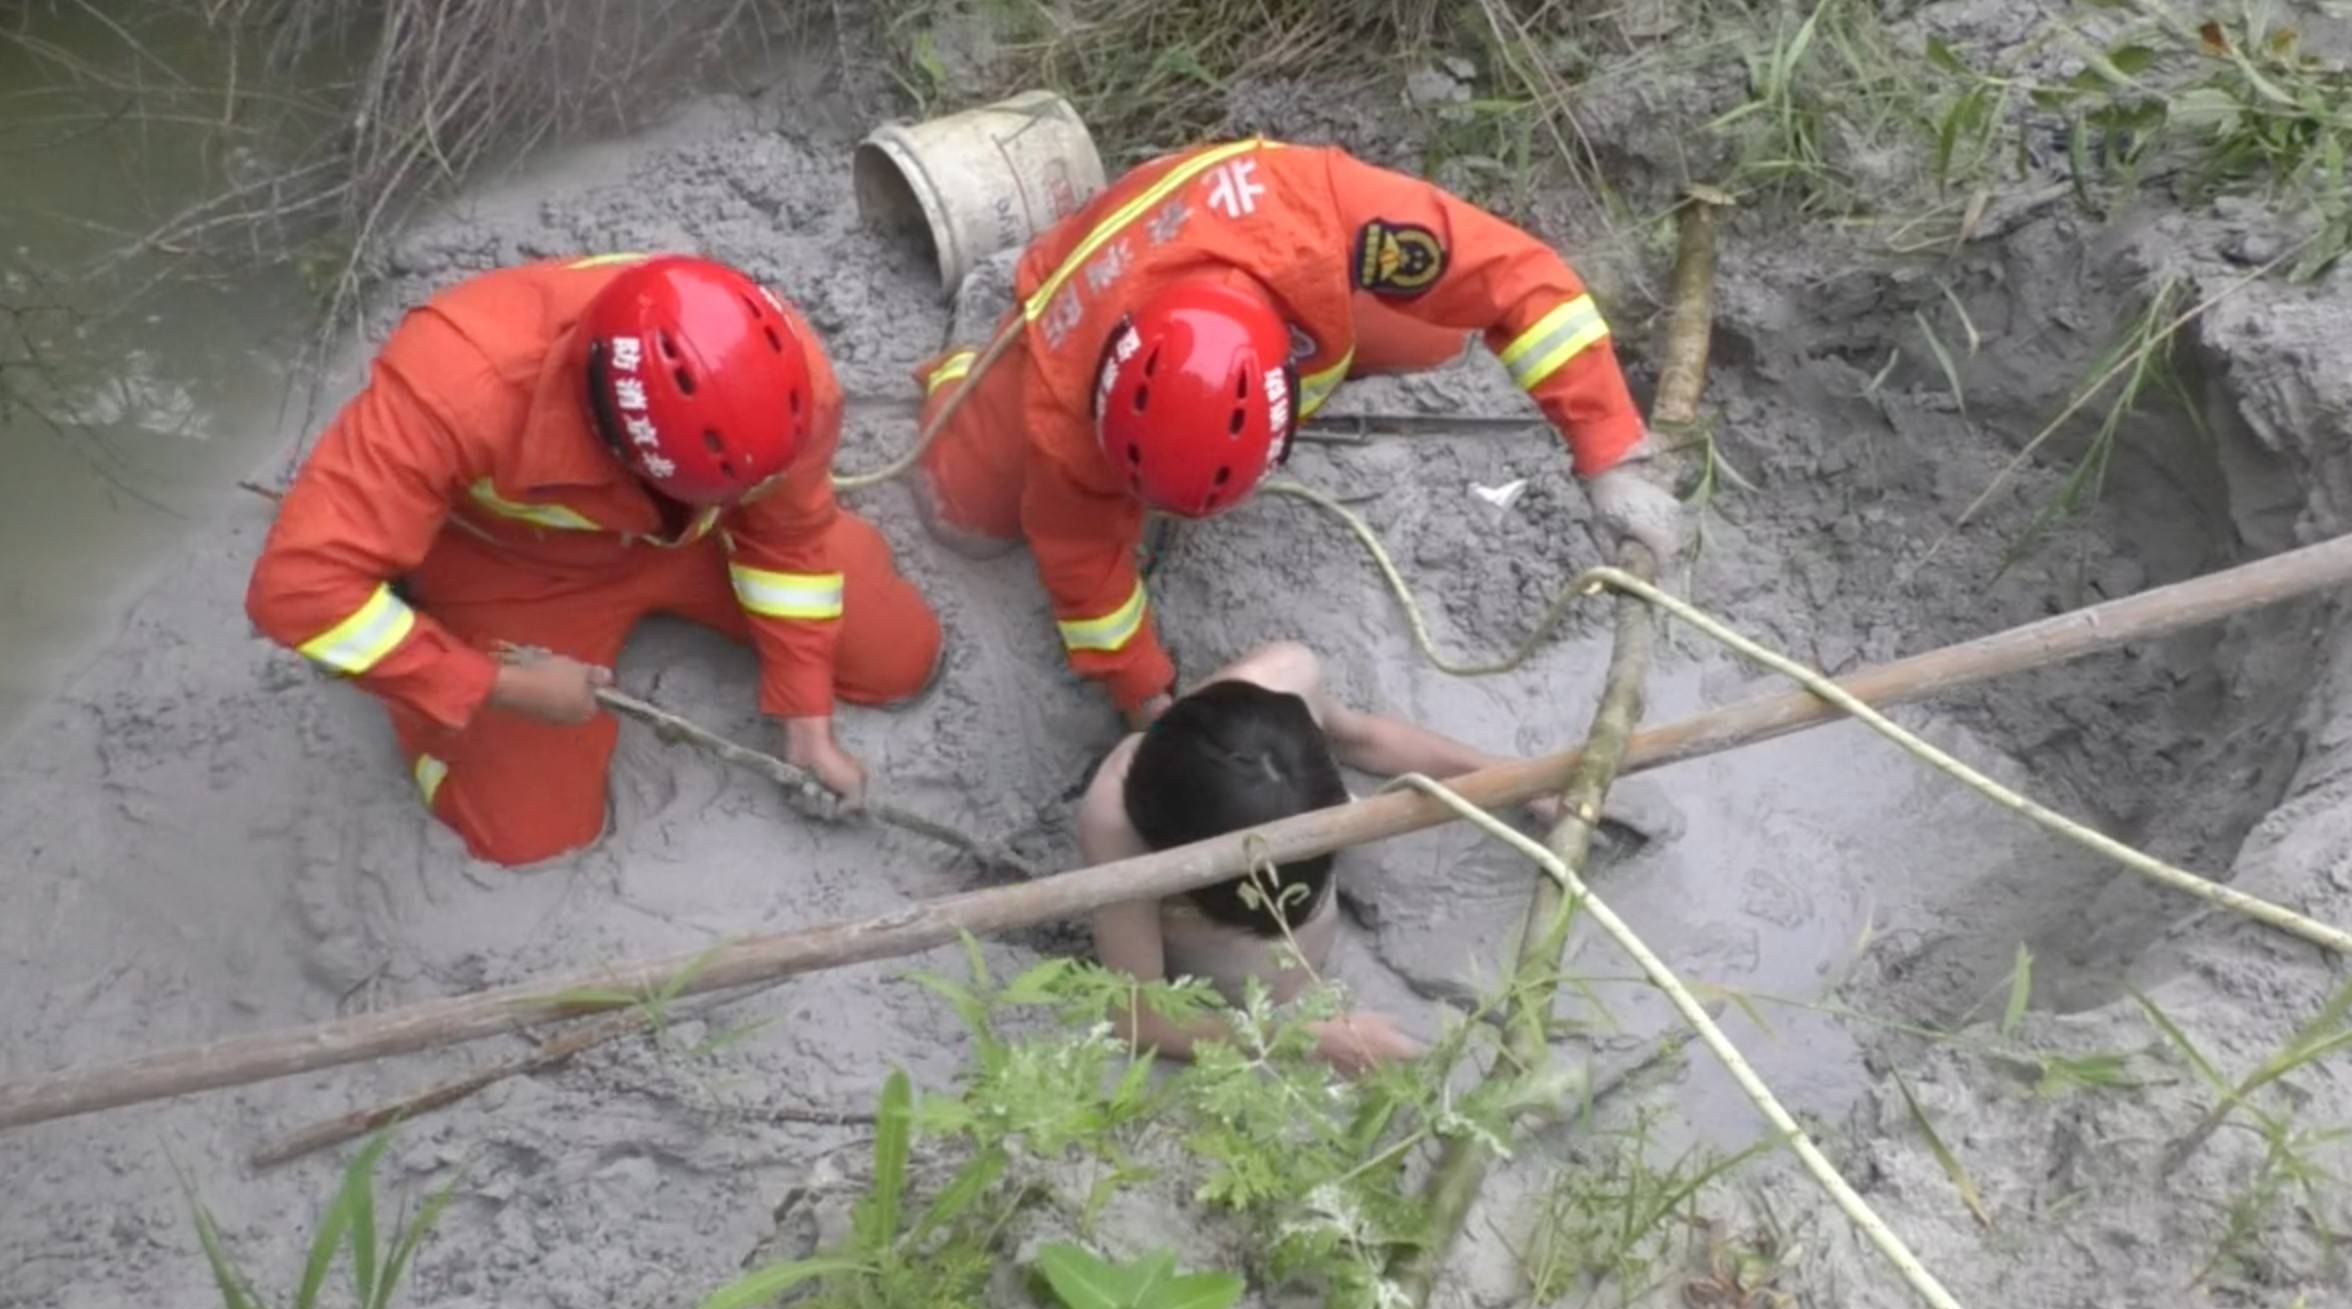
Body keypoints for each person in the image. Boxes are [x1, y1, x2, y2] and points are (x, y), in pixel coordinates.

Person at [910, 138, 1688, 730]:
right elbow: (1083, 568)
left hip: (1240, 239)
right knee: (963, 511)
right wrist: (1143, 690)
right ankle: (971, 349)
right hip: (1063, 294)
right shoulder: (1061, 407)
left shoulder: (1323, 213)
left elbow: (1519, 281)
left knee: (1434, 336)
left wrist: (1611, 451)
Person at [245, 254, 941, 865]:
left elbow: (783, 538)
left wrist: (806, 719)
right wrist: (493, 685)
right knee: (524, 838)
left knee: (901, 658)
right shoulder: (458, 383)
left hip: (697, 536)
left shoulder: (782, 377)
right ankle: (429, 704)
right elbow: (297, 591)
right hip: (517, 569)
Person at [1078, 640, 1556, 1077]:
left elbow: (1364, 740)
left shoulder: (1287, 681)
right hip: (1241, 989)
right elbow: (1138, 1020)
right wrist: (1303, 1040)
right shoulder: (1115, 827)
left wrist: (1509, 777)